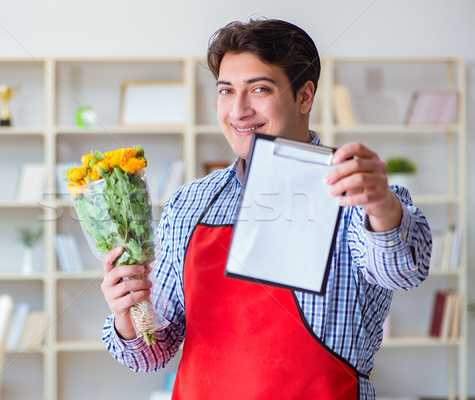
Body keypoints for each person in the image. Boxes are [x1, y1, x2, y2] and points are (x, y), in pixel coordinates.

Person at [101, 18, 431, 399]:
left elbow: (403, 270)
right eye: (226, 91)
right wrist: (128, 318)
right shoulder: (188, 203)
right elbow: (154, 353)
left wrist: (382, 204)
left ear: (304, 97)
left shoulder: (359, 195)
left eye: (259, 89)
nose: (238, 110)